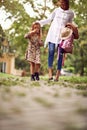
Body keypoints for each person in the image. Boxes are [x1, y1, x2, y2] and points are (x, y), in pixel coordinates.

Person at [36, 0, 75, 81]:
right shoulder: (56, 11)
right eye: (62, 3)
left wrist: (70, 32)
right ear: (60, 3)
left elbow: (70, 24)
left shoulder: (71, 13)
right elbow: (49, 19)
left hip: (62, 36)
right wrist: (39, 22)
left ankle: (57, 76)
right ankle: (50, 74)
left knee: (60, 55)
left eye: (65, 3)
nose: (63, 4)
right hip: (52, 35)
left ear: (67, 3)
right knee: (51, 51)